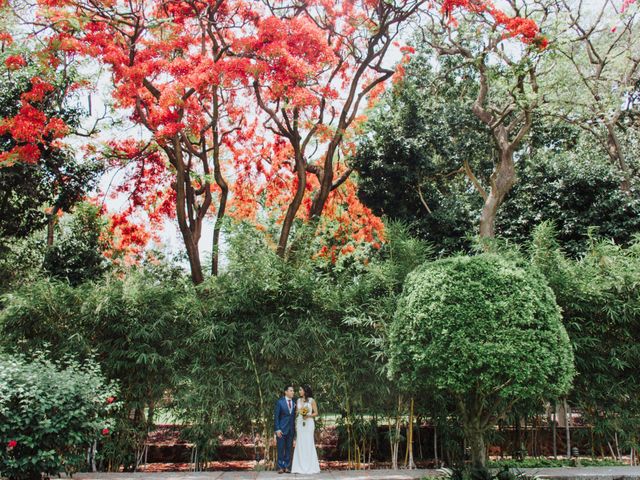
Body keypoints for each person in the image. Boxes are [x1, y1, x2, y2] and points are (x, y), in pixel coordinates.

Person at [291, 384, 320, 474]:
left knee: (309, 442)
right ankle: (298, 467)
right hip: (300, 423)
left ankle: (311, 466)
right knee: (300, 442)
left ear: (305, 391)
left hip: (309, 423)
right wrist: (298, 413)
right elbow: (296, 412)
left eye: (300, 390)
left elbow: (316, 413)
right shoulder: (298, 400)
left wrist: (308, 415)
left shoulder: (312, 400)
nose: (299, 391)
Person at [274, 385, 296, 473]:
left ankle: (287, 467)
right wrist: (277, 429)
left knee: (288, 449)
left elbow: (299, 413)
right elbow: (276, 417)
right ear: (286, 392)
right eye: (291, 390)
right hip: (281, 430)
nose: (293, 392)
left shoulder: (294, 403)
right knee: (280, 448)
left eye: (293, 391)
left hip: (291, 430)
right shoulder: (280, 402)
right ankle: (280, 467)